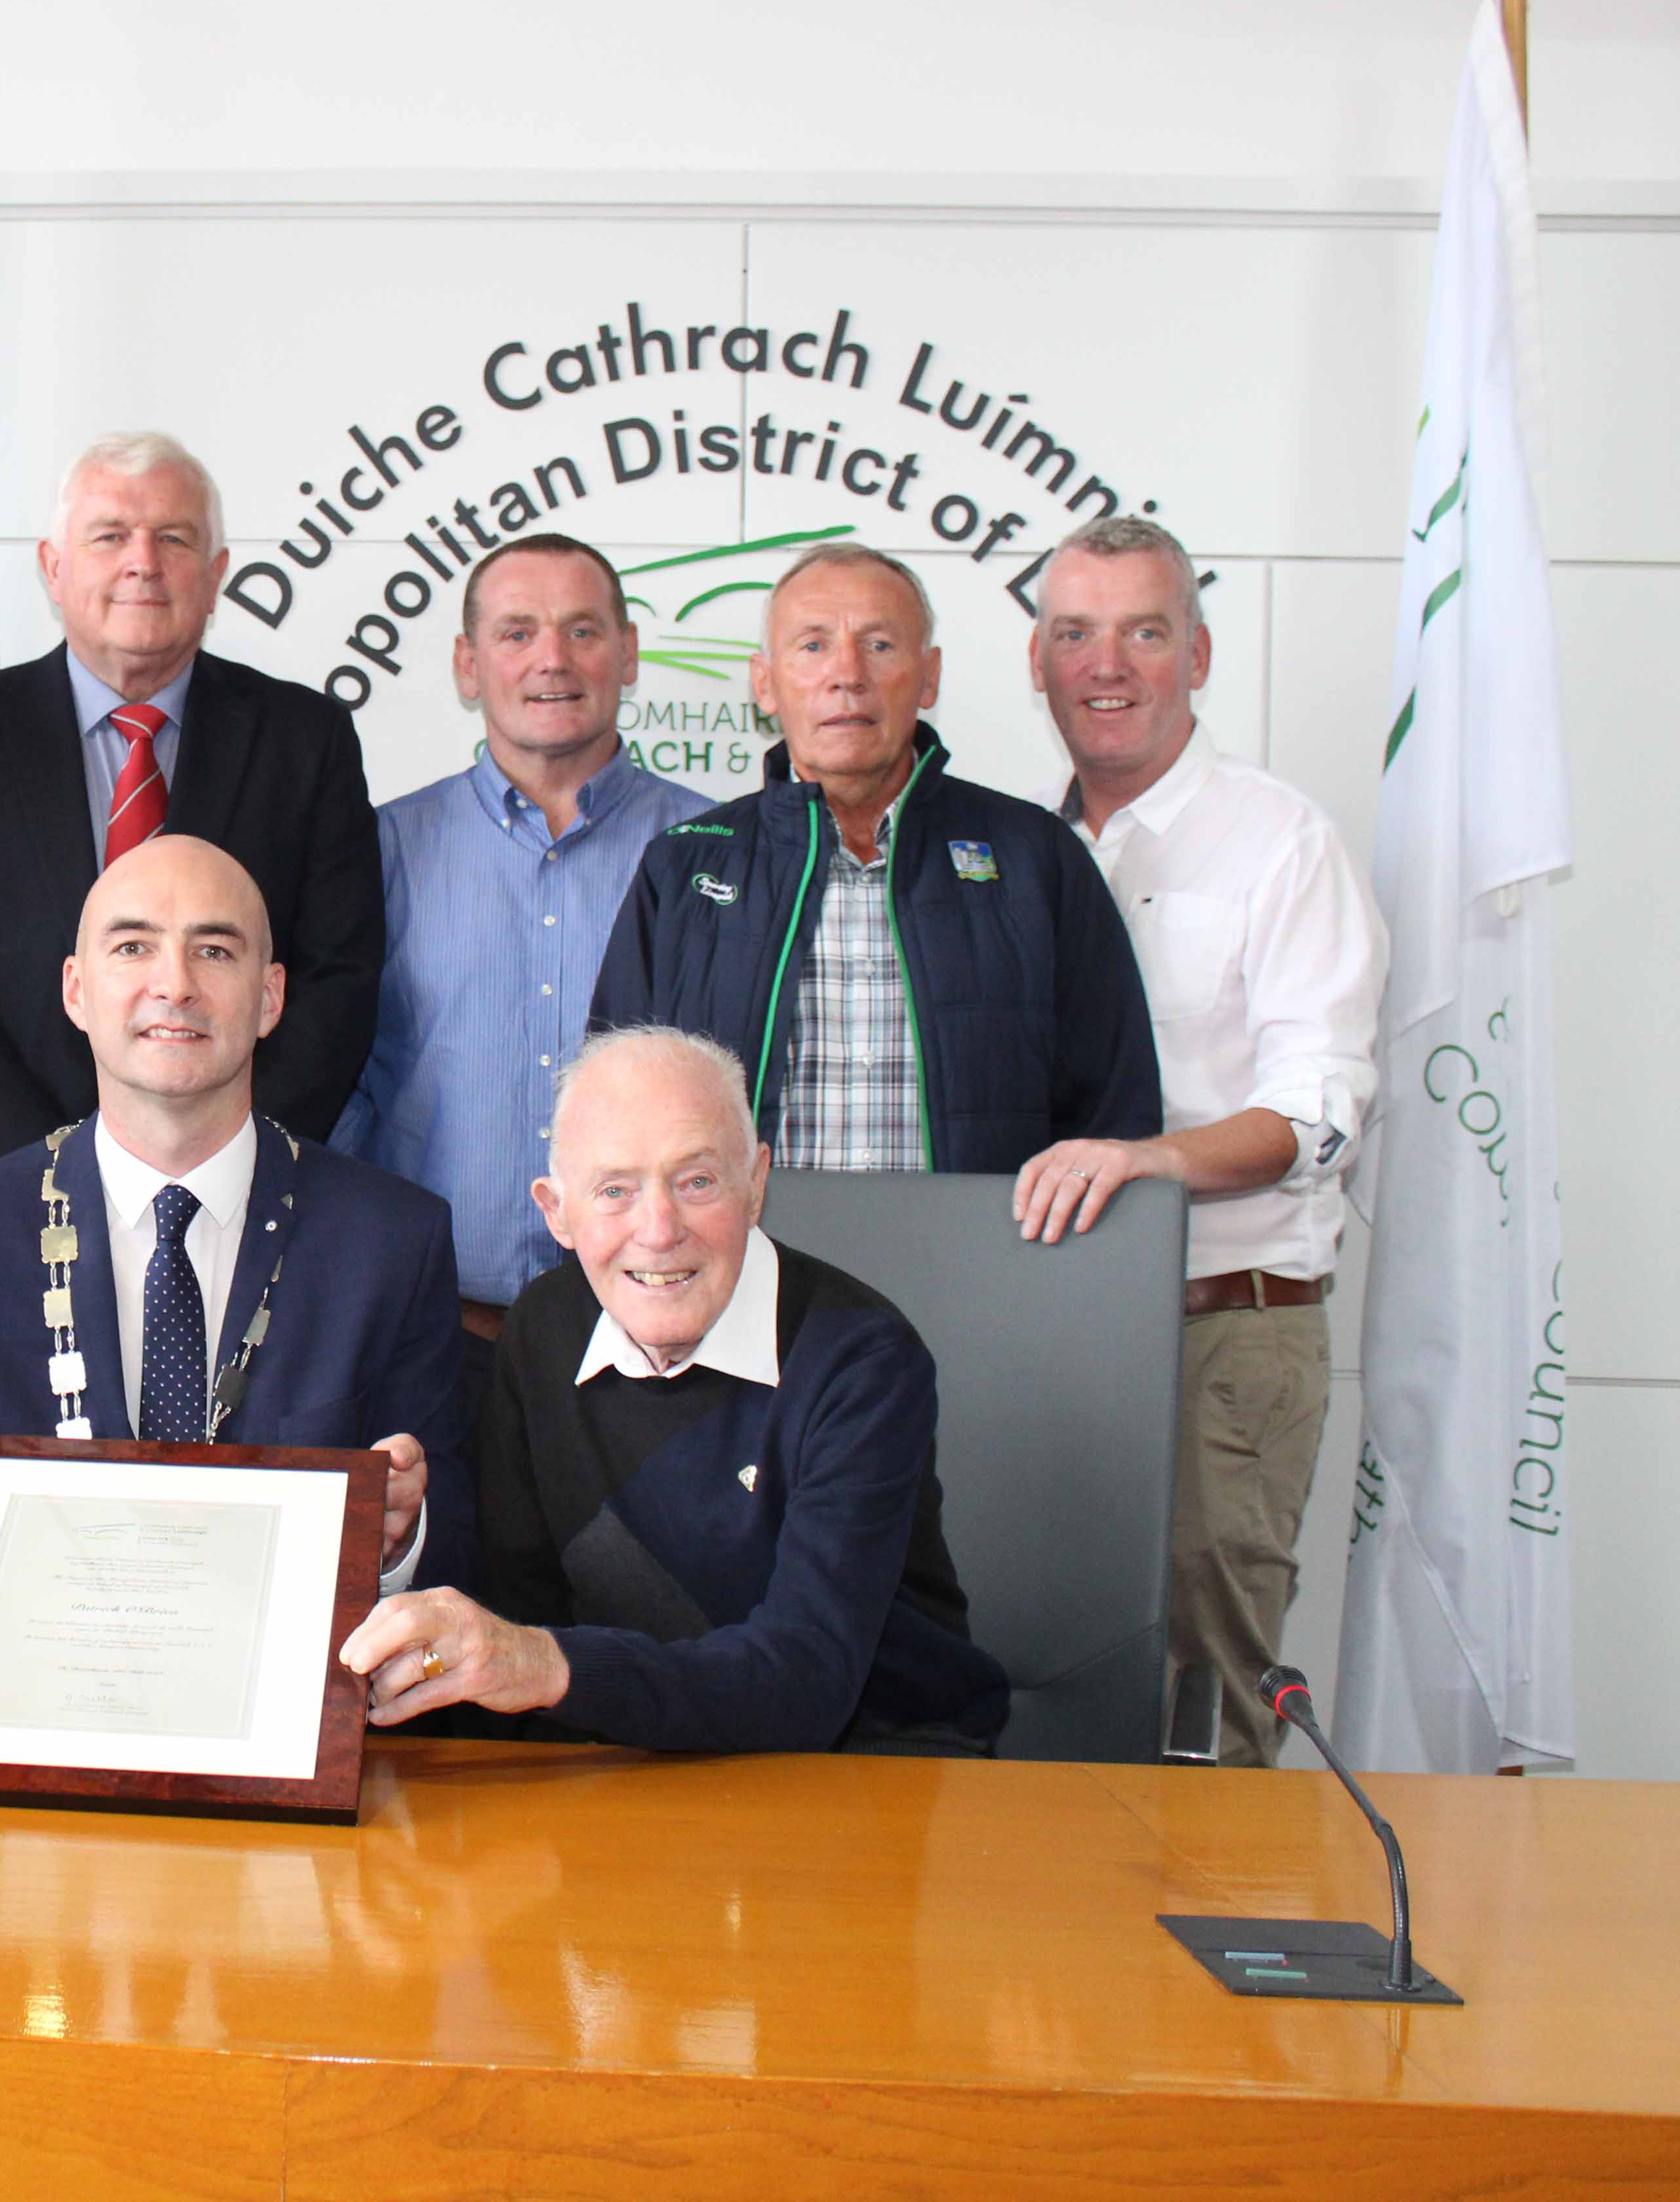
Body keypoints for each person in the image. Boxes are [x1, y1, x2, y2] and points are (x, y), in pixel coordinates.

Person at [340, 1027, 1008, 1754]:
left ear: (756, 1183)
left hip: (871, 1766)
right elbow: (511, 1612)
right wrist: (397, 1550)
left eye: (697, 1182)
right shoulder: (543, 1332)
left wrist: (546, 1667)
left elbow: (808, 1678)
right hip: (624, 1763)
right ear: (556, 1212)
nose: (658, 1231)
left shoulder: (861, 1362)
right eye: (615, 1191)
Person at [1006, 516, 1387, 1767]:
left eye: (1142, 632)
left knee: (1209, 1712)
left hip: (1218, 1332)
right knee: (1033, 1689)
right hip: (1050, 1339)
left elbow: (1317, 1107)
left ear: (1198, 655)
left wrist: (1148, 1162)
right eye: (1074, 633)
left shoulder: (1280, 844)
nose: (1104, 664)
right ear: (1034, 661)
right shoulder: (1011, 852)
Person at [0, 835, 461, 1589]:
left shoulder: (394, 1242)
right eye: (133, 947)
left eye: (214, 951)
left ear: (270, 997)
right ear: (76, 991)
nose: (175, 985)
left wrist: (400, 1544)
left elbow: (460, 1550)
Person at [0, 430, 382, 1199]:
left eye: (173, 538)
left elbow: (337, 980)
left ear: (216, 576)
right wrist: (59, 1176)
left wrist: (212, 1163)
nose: (143, 562)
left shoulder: (305, 741)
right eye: (110, 536)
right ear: (54, 568)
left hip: (240, 1204)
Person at [590, 542, 1161, 1173]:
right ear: (764, 683)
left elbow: (1113, 1120)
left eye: (880, 645)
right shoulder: (684, 869)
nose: (848, 675)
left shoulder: (1038, 858)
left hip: (983, 1241)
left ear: (929, 676)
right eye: (813, 646)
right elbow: (616, 1109)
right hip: (755, 1241)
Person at [334, 531, 713, 1418]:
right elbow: (341, 1090)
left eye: (583, 631)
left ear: (628, 654)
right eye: (517, 633)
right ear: (468, 665)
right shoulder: (382, 848)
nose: (553, 659)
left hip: (660, 1341)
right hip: (433, 1344)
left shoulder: (713, 851)